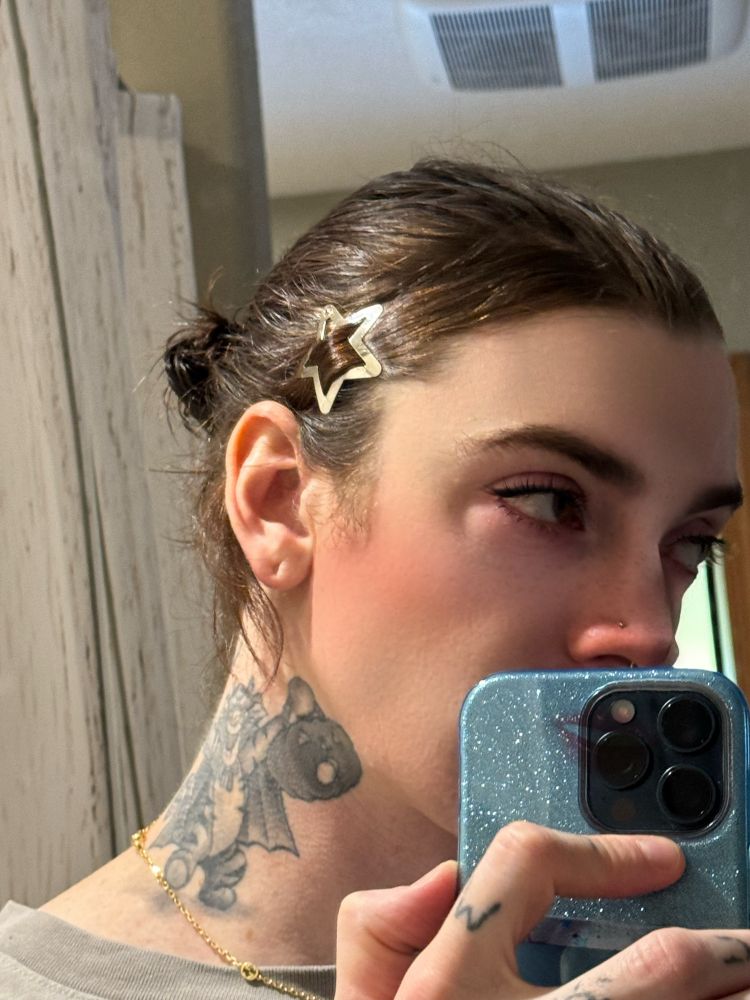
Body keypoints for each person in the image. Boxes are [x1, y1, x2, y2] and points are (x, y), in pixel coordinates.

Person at [0, 158, 746, 1000]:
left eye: (692, 545)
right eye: (547, 502)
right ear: (280, 501)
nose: (651, 631)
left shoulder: (674, 970)